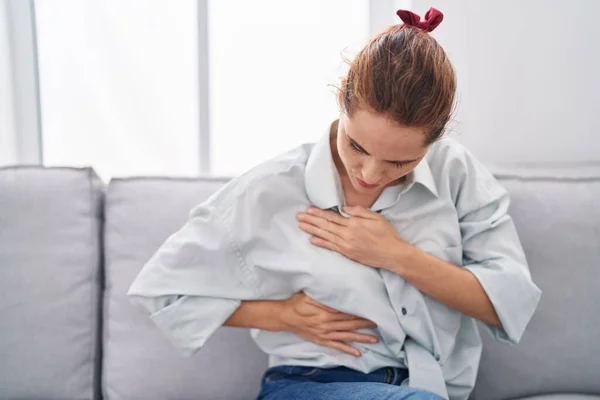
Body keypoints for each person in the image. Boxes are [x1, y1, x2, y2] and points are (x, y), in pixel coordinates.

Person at [127, 7, 541, 400]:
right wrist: (282, 315)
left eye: (400, 161)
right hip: (307, 385)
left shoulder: (456, 173)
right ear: (341, 100)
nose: (370, 174)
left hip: (428, 387)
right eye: (357, 146)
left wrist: (395, 255)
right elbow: (160, 291)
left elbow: (506, 303)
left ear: (435, 140)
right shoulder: (271, 189)